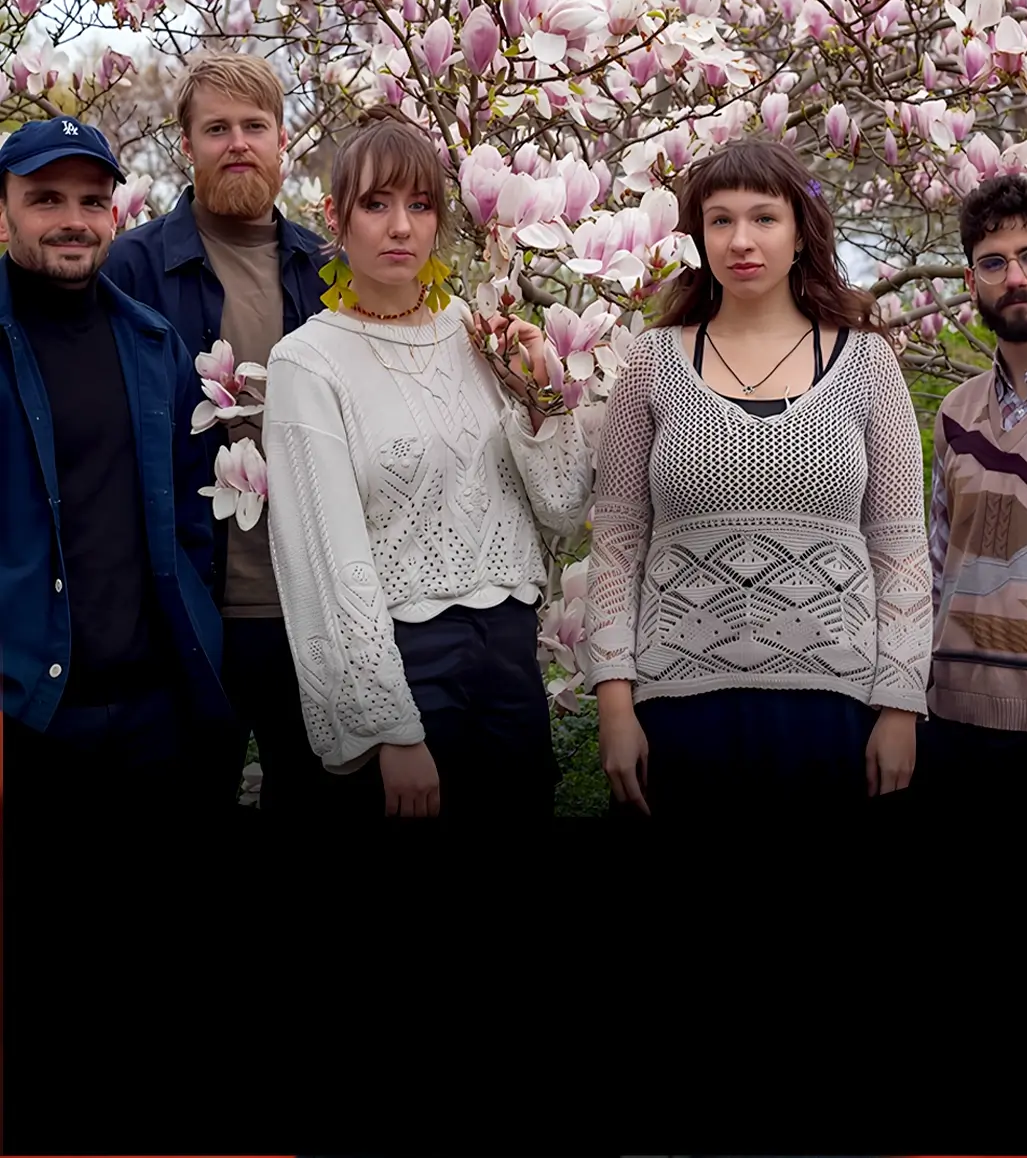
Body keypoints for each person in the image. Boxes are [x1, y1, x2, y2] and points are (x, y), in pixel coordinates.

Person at [260, 107, 593, 820]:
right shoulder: (307, 363)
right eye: (376, 205)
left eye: (419, 205)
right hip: (407, 664)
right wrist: (391, 727)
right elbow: (327, 559)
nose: (401, 226)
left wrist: (540, 397)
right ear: (336, 217)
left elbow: (564, 509)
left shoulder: (480, 337)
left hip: (509, 655)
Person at [584, 140, 933, 818]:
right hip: (677, 712)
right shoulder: (653, 363)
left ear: (800, 233)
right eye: (719, 220)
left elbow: (901, 550)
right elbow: (617, 547)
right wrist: (614, 704)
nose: (741, 240)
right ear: (696, 237)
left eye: (764, 218)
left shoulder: (866, 362)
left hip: (839, 712)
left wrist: (899, 704)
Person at [102, 52, 330, 815]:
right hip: (187, 610)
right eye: (217, 128)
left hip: (311, 602)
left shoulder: (327, 271)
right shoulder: (131, 269)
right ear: (185, 144)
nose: (237, 142)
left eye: (254, 126)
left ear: (282, 140)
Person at [0, 115, 236, 829]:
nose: (73, 220)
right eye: (46, 199)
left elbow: (192, 529)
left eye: (93, 200)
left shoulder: (152, 344)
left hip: (157, 719)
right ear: (3, 208)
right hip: (28, 722)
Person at [926, 175, 1027, 799]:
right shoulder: (956, 414)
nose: (1014, 277)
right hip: (950, 729)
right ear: (971, 284)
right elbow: (936, 569)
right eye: (993, 263)